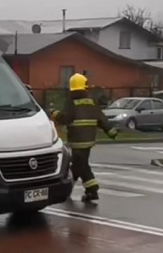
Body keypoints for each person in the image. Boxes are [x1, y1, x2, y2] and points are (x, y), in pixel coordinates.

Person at [50, 73, 118, 203]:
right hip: (89, 140)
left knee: (82, 165)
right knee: (77, 164)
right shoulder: (92, 102)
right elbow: (101, 118)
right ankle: (68, 186)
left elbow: (66, 118)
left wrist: (55, 113)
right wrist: (111, 131)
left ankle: (92, 189)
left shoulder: (72, 102)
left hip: (77, 140)